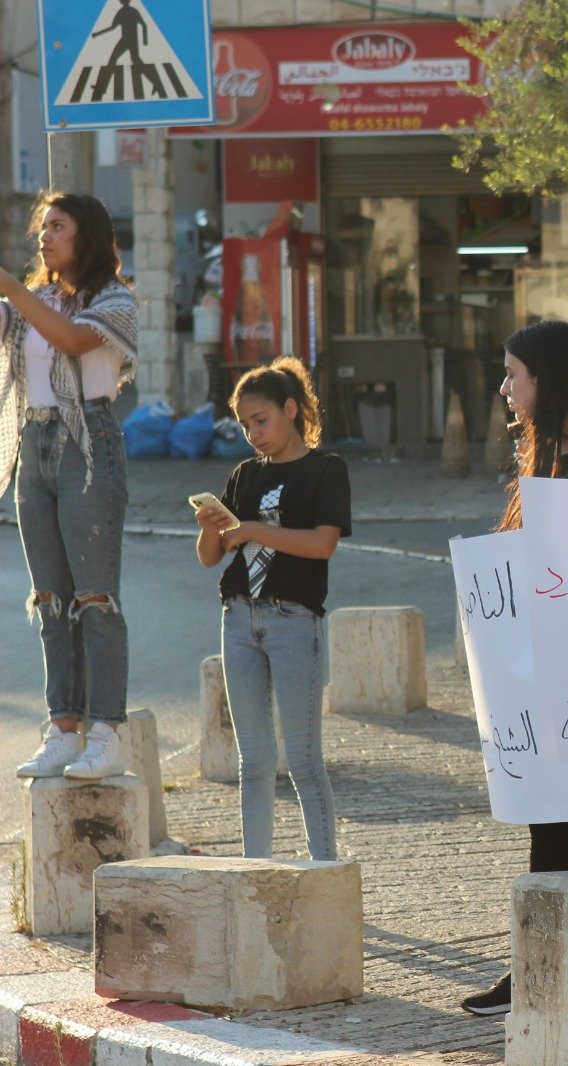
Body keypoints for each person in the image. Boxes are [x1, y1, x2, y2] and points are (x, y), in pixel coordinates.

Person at [460, 320, 568, 1017]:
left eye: (513, 375)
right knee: (549, 824)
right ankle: (539, 972)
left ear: (549, 379)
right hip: (547, 679)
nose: (505, 388)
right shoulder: (542, 456)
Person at [4, 191, 138, 781]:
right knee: (50, 599)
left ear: (86, 235)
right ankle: (63, 728)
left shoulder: (113, 299)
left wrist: (13, 289)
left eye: (57, 226)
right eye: (42, 227)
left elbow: (75, 341)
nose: (44, 237)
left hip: (88, 442)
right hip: (34, 445)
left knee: (95, 598)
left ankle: (107, 731)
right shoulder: (37, 301)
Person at [194, 358, 348, 862]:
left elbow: (323, 544)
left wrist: (255, 529)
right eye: (243, 425)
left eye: (260, 421)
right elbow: (213, 558)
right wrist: (210, 527)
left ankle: (325, 867)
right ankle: (253, 867)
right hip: (238, 619)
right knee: (254, 759)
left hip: (294, 621)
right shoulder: (244, 473)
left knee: (303, 759)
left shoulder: (326, 470)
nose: (252, 433)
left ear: (291, 410)